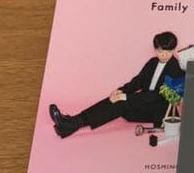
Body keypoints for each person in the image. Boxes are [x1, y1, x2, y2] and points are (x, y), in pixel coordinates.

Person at [49, 31, 184, 138]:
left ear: (173, 50)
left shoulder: (175, 68)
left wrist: (125, 97)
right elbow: (138, 81)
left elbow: (157, 96)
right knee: (114, 99)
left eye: (168, 51)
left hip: (158, 111)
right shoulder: (153, 62)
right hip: (142, 103)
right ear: (155, 49)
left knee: (121, 102)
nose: (164, 55)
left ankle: (70, 124)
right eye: (160, 51)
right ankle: (72, 122)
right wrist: (121, 90)